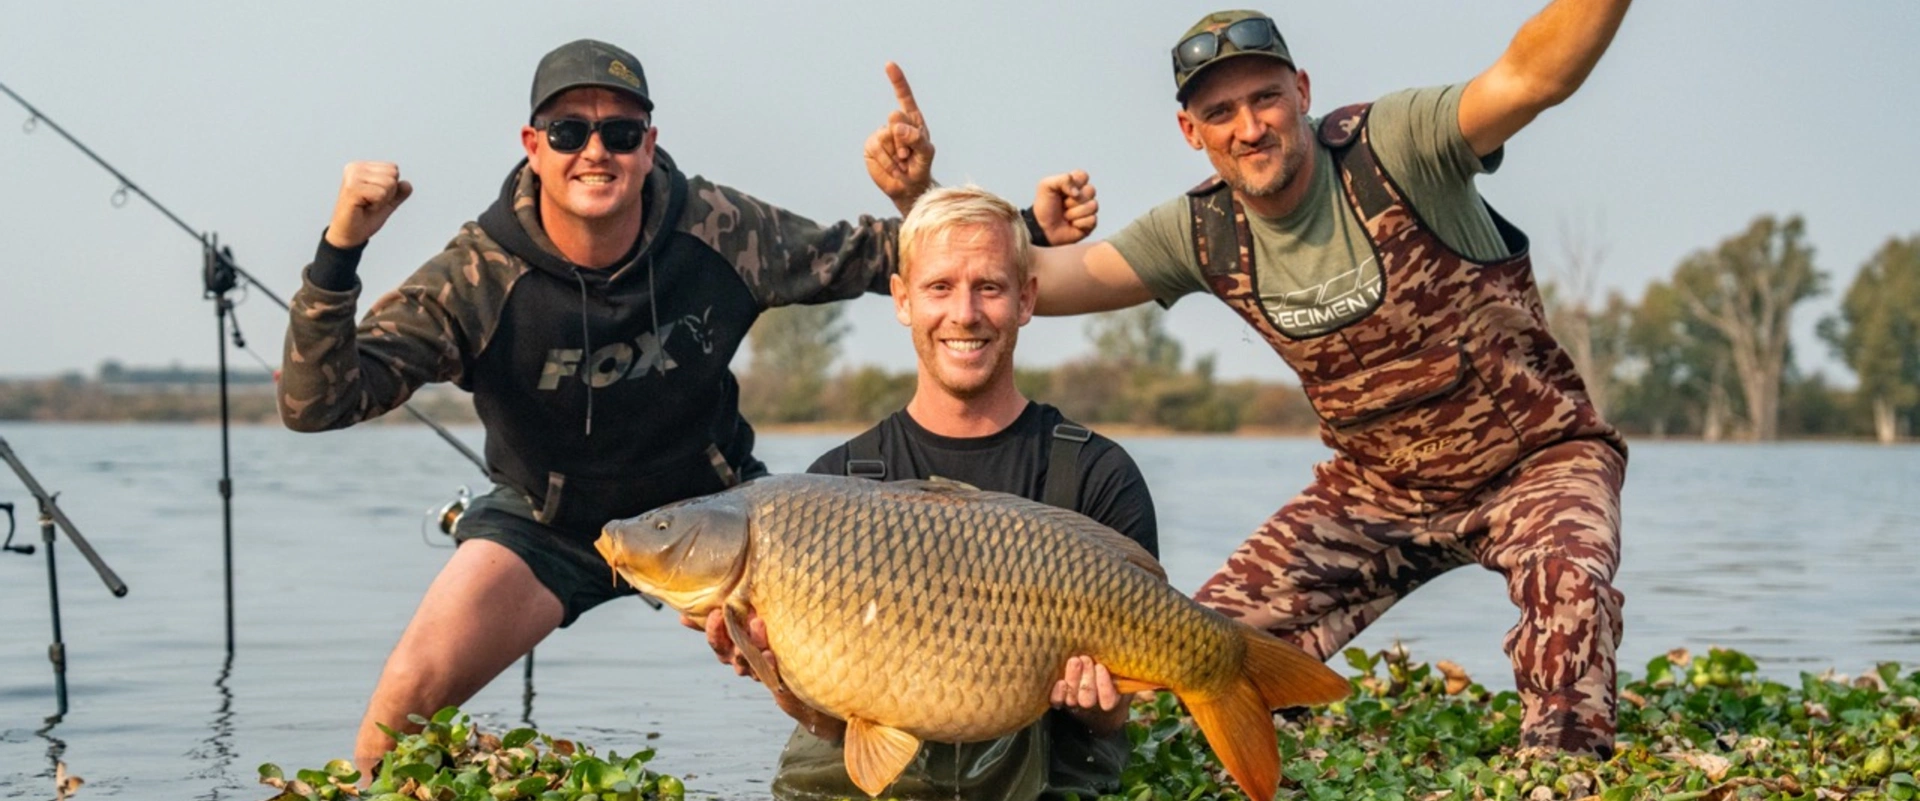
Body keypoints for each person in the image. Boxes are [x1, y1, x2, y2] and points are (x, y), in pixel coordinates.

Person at [276, 39, 1097, 777]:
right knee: (394, 723)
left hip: (724, 520)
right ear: (532, 147)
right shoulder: (479, 273)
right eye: (569, 132)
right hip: (548, 524)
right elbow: (316, 402)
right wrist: (341, 246)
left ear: (649, 146)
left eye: (621, 133)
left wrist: (1025, 226)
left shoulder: (713, 226)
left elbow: (872, 255)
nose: (596, 151)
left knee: (861, 700)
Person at [897, 3, 1635, 756]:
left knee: (1569, 599)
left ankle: (1561, 756)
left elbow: (1533, 76)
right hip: (1378, 492)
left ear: (1302, 92)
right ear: (1193, 132)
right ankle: (1292, 726)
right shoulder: (1202, 229)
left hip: (1539, 462)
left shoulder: (1397, 148)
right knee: (1190, 663)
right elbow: (1029, 283)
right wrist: (933, 200)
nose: (1249, 128)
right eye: (1220, 111)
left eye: (1265, 99)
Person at [698, 185, 1158, 801]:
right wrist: (774, 675)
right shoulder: (834, 484)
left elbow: (1113, 718)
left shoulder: (1096, 473)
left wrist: (1098, 704)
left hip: (1045, 771)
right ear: (902, 300)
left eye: (989, 287)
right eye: (939, 287)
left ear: (1026, 300)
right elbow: (829, 723)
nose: (964, 314)